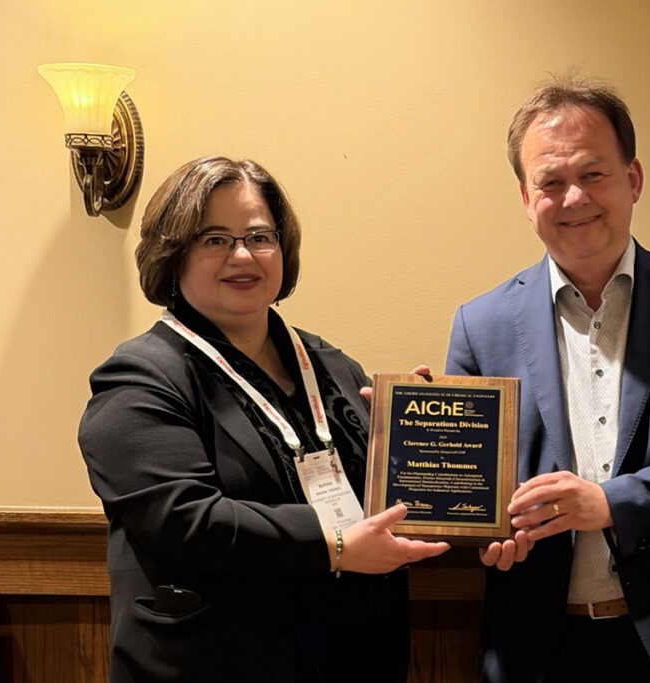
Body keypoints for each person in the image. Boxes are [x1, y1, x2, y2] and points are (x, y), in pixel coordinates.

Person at [446, 76, 650, 682]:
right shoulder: (480, 325)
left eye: (593, 174)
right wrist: (428, 447)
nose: (573, 198)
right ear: (526, 198)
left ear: (633, 180)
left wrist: (608, 503)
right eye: (550, 182)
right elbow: (481, 491)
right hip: (542, 643)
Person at [78, 156, 449, 682]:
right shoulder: (137, 380)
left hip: (350, 655)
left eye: (259, 236)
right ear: (173, 252)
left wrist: (421, 436)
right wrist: (334, 546)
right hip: (216, 661)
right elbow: (186, 522)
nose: (243, 255)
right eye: (214, 239)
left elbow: (379, 498)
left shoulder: (331, 366)